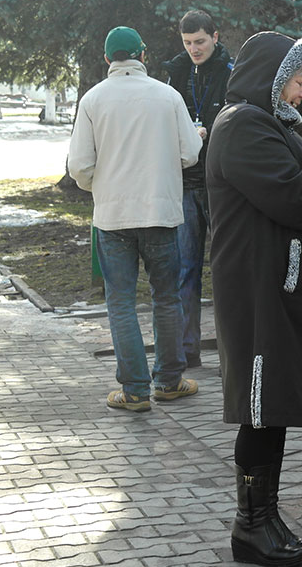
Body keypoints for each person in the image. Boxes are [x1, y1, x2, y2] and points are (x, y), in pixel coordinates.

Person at [207, 31, 302, 567]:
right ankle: (251, 525)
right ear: (272, 80)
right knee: (261, 409)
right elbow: (292, 195)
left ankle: (263, 516)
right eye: (297, 82)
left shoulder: (262, 124)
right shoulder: (243, 125)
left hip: (273, 287)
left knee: (270, 407)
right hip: (258, 292)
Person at [68, 26, 202, 412]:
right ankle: (170, 381)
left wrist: (102, 184)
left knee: (122, 303)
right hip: (161, 213)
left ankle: (134, 391)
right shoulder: (167, 96)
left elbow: (79, 165)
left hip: (112, 217)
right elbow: (190, 152)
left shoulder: (93, 100)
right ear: (143, 56)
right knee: (166, 298)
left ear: (108, 59)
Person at [162, 9, 233, 369]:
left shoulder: (231, 73)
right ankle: (188, 350)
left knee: (225, 268)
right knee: (185, 268)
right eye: (188, 43)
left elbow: (240, 122)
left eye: (200, 41)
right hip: (186, 182)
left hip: (220, 184)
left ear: (215, 37)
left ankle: (230, 351)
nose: (194, 49)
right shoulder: (175, 74)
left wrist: (210, 132)